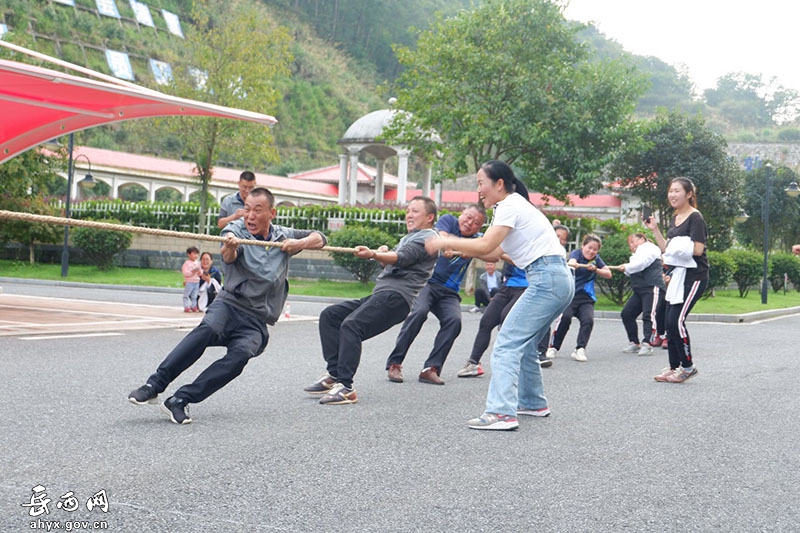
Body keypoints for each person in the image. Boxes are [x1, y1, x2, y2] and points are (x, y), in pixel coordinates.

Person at [128, 187, 327, 424]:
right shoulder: (236, 230)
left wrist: (299, 243)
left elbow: (321, 238)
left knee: (240, 356)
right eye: (247, 209)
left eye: (257, 210)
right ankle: (154, 384)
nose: (250, 216)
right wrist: (230, 246)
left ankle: (180, 400)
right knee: (207, 330)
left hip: (257, 319)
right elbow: (228, 255)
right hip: (229, 305)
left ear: (272, 213)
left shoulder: (284, 235)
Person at [426, 160, 573, 431]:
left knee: (506, 343)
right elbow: (494, 252)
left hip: (547, 280)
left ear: (499, 184)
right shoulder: (514, 207)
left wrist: (444, 240)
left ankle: (501, 413)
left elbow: (485, 244)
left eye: (481, 183)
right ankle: (532, 403)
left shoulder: (509, 205)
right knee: (526, 343)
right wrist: (461, 250)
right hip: (556, 279)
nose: (479, 190)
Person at [304, 196, 438, 405]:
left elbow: (403, 257)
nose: (409, 215)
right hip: (381, 295)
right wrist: (382, 255)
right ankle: (336, 375)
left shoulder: (428, 238)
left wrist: (375, 254)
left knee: (351, 326)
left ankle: (346, 387)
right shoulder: (411, 236)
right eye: (408, 210)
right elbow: (396, 262)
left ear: (430, 217)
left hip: (396, 299)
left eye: (415, 211)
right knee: (330, 316)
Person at [385, 204, 487, 385]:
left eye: (476, 222)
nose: (470, 223)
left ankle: (431, 368)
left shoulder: (477, 239)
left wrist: (471, 249)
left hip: (449, 292)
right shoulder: (449, 221)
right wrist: (451, 244)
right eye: (468, 217)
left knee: (454, 321)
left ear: (480, 228)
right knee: (418, 313)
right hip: (428, 283)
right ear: (461, 214)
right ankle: (395, 363)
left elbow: (492, 255)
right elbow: (442, 235)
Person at [644, 177, 708, 383]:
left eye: (677, 191)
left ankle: (688, 366)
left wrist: (674, 254)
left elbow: (698, 249)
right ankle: (674, 367)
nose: (672, 195)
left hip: (694, 277)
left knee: (676, 321)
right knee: (667, 322)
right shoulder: (675, 218)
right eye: (670, 191)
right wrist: (655, 229)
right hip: (677, 275)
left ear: (689, 194)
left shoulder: (695, 218)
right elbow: (666, 249)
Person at [457, 262, 529, 377]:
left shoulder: (529, 244)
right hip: (507, 287)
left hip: (526, 288)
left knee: (507, 322)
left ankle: (513, 366)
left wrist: (498, 252)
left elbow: (516, 257)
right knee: (486, 322)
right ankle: (473, 364)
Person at [549, 234, 612, 362]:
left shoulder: (596, 260)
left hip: (586, 298)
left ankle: (580, 349)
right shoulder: (576, 253)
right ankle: (553, 347)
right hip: (570, 295)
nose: (591, 251)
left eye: (595, 249)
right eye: (589, 248)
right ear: (583, 246)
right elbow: (571, 262)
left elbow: (608, 273)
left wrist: (596, 270)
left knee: (588, 320)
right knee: (565, 318)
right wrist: (574, 264)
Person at [610, 233, 666, 356]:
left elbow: (641, 264)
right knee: (627, 314)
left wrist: (626, 267)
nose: (631, 245)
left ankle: (647, 343)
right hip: (640, 289)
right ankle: (634, 342)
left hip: (652, 287)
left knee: (648, 315)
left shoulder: (650, 248)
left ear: (642, 239)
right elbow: (633, 269)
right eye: (629, 244)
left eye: (632, 241)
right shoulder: (637, 254)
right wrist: (625, 269)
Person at [537, 223, 572, 360]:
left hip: (551, 291)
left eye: (562, 238)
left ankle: (541, 353)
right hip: (532, 287)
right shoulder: (540, 248)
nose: (558, 240)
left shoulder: (561, 255)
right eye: (556, 236)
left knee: (544, 321)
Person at [181, 246, 201, 313]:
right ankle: (186, 307)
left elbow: (200, 273)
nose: (196, 256)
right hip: (189, 282)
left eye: (197, 254)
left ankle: (193, 306)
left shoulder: (197, 263)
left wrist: (199, 271)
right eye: (194, 254)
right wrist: (192, 272)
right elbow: (185, 273)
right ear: (189, 254)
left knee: (194, 295)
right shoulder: (186, 264)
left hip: (196, 281)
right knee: (186, 295)